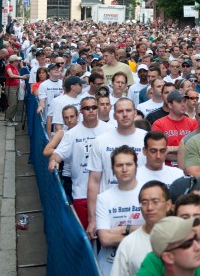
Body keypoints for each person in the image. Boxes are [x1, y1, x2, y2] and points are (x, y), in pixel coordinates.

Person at [48, 96, 115, 228]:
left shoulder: (109, 130)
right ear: (81, 111)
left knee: (105, 233)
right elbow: (58, 153)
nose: (91, 110)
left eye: (94, 107)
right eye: (87, 108)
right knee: (86, 234)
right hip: (81, 192)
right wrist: (53, 161)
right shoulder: (72, 134)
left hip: (106, 192)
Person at [87, 98, 148, 240]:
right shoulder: (100, 141)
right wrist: (92, 219)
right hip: (110, 209)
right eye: (120, 111)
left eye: (128, 111)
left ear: (134, 113)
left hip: (140, 205)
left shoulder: (146, 138)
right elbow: (94, 181)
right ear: (114, 115)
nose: (124, 115)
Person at [95, 146, 144, 276]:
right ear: (112, 169)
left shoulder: (148, 193)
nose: (124, 169)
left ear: (136, 166)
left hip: (142, 265)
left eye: (129, 164)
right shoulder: (103, 198)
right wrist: (141, 235)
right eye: (119, 165)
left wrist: (125, 229)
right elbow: (105, 239)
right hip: (110, 266)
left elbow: (156, 230)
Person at [110, 181, 172, 276]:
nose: (150, 207)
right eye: (144, 202)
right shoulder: (128, 243)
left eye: (155, 202)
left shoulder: (182, 238)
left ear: (168, 205)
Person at [4, 54, 28, 126]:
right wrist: (22, 77)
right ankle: (7, 120)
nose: (19, 62)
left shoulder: (15, 67)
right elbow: (11, 75)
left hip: (15, 86)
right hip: (11, 87)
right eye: (17, 61)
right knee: (12, 104)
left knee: (15, 103)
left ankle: (10, 119)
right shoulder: (8, 67)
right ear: (14, 61)